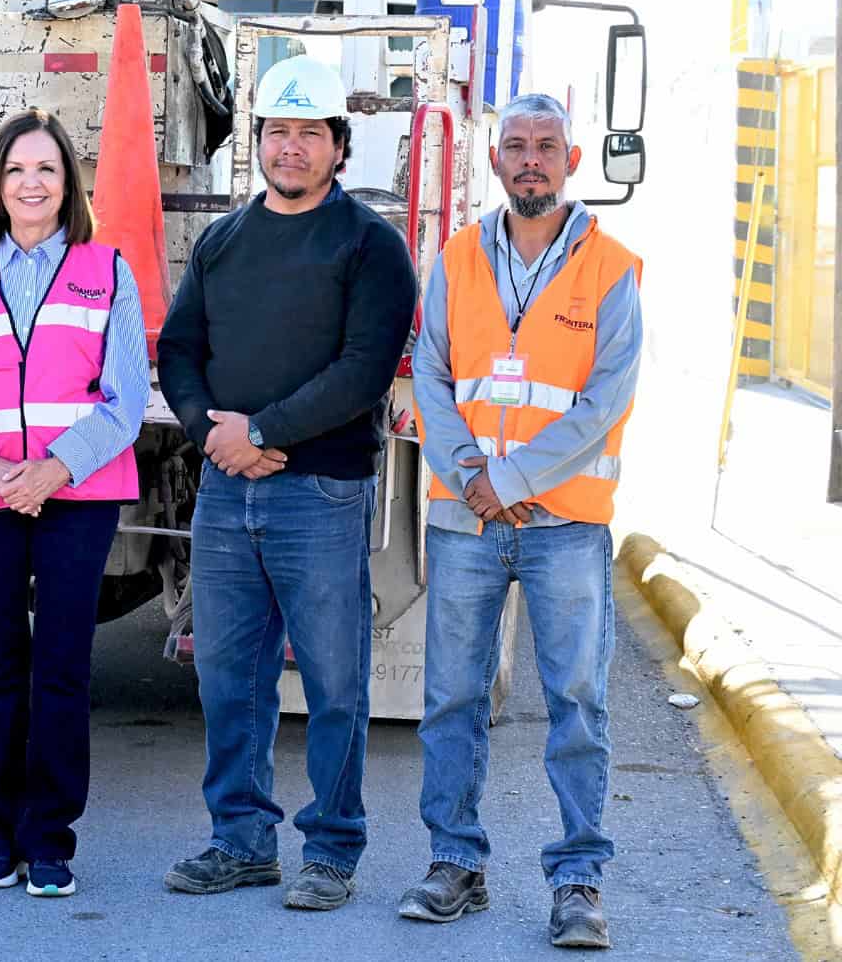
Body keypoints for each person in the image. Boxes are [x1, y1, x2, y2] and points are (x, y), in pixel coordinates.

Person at [157, 55, 416, 910]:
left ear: (339, 146)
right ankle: (241, 840)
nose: (292, 147)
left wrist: (261, 431)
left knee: (337, 682)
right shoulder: (225, 240)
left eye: (310, 133)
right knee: (229, 676)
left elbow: (363, 368)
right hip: (227, 492)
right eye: (278, 131)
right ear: (258, 143)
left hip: (322, 492)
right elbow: (179, 350)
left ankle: (333, 849)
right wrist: (211, 432)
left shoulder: (371, 246)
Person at [403, 93, 642, 950]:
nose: (531, 158)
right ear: (496, 162)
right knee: (452, 700)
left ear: (571, 162)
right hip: (467, 519)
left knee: (577, 702)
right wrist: (472, 475)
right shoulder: (457, 259)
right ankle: (454, 865)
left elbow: (602, 400)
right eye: (516, 145)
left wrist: (506, 480)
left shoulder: (612, 268)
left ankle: (578, 880)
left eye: (547, 145)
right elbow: (432, 374)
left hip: (564, 523)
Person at [0, 108, 148, 899]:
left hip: (77, 496)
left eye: (46, 169)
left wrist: (51, 470)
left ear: (67, 184)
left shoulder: (107, 272)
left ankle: (50, 841)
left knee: (64, 670)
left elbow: (126, 400)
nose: (32, 183)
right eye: (16, 170)